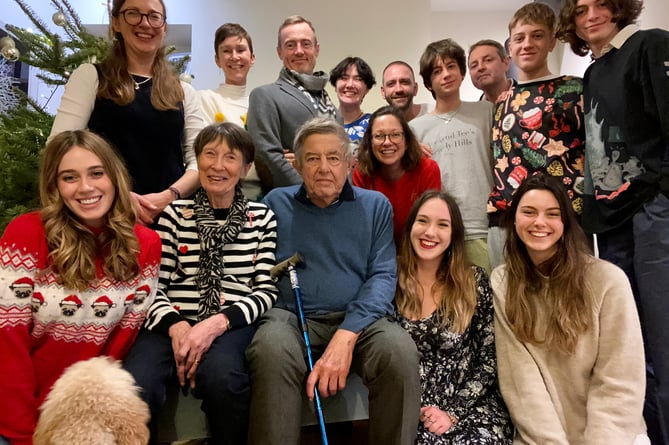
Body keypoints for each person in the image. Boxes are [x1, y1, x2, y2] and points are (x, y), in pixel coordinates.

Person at [246, 117, 421, 445]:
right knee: (270, 347)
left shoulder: (375, 207)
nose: (323, 167)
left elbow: (383, 275)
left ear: (349, 162)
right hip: (293, 320)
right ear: (297, 165)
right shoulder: (274, 205)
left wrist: (347, 334)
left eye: (333, 157)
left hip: (359, 321)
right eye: (312, 158)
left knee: (399, 351)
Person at [0, 130, 161, 445]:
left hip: (82, 420)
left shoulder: (146, 246)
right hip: (13, 414)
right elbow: (7, 340)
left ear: (114, 178)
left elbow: (118, 347)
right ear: (55, 186)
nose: (86, 187)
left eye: (96, 173)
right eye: (69, 177)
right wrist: (24, 434)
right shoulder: (26, 233)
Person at [123, 122, 278, 445]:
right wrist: (178, 326)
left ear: (246, 168)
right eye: (209, 154)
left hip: (230, 322)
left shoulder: (262, 217)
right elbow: (153, 286)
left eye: (230, 157)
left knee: (225, 380)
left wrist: (215, 324)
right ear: (198, 161)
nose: (218, 165)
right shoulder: (175, 215)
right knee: (137, 383)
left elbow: (265, 290)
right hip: (170, 320)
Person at [556, 1, 669, 442]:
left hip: (652, 211)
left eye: (602, 3)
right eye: (581, 9)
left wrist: (658, 193)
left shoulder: (649, 45)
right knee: (629, 344)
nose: (591, 15)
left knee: (661, 339)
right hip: (614, 223)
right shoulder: (593, 74)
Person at [491, 173, 649, 444]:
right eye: (529, 212)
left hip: (615, 434)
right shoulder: (503, 282)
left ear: (565, 222)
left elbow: (620, 382)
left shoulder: (608, 280)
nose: (539, 222)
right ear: (514, 219)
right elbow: (521, 382)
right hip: (540, 437)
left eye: (552, 214)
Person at [49, 0, 205, 225]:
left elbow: (199, 160)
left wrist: (169, 196)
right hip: (107, 216)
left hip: (172, 219)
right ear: (116, 23)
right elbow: (59, 147)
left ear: (164, 27)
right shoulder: (91, 77)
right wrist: (119, 196)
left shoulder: (184, 91)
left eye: (154, 16)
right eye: (133, 14)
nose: (145, 23)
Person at [395, 190, 512, 444]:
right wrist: (418, 409)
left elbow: (490, 360)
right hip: (413, 413)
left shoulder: (474, 281)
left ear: (453, 234)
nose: (430, 232)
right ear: (410, 226)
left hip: (471, 408)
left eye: (442, 225)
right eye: (423, 221)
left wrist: (453, 413)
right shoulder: (389, 281)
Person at [487, 2, 585, 269]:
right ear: (510, 48)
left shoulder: (575, 89)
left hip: (562, 216)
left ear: (552, 41)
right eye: (519, 38)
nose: (527, 44)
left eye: (537, 35)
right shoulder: (502, 101)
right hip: (507, 216)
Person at [410, 39, 494, 273]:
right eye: (437, 71)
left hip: (482, 225)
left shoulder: (486, 111)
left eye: (451, 66)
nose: (446, 74)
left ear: (461, 71)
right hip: (438, 230)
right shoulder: (416, 128)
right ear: (428, 82)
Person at [247, 15, 339, 194]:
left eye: (306, 44)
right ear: (279, 52)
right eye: (290, 45)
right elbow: (267, 156)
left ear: (316, 49)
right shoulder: (264, 96)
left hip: (334, 204)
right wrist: (311, 195)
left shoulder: (333, 109)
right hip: (292, 204)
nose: (299, 51)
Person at [352, 105, 441, 243]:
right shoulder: (362, 173)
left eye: (395, 135)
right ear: (370, 142)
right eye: (379, 136)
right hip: (377, 250)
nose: (387, 142)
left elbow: (431, 226)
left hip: (420, 249)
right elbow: (365, 228)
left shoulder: (427, 169)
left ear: (406, 141)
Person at [199, 22, 262, 201]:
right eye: (226, 51)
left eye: (240, 50)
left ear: (252, 58)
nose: (234, 57)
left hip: (261, 194)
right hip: (219, 195)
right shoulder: (206, 99)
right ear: (217, 60)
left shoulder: (262, 102)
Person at [329, 56, 376, 144]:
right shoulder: (324, 124)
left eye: (358, 79)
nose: (350, 85)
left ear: (367, 89)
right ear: (335, 85)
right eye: (344, 78)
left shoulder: (374, 124)